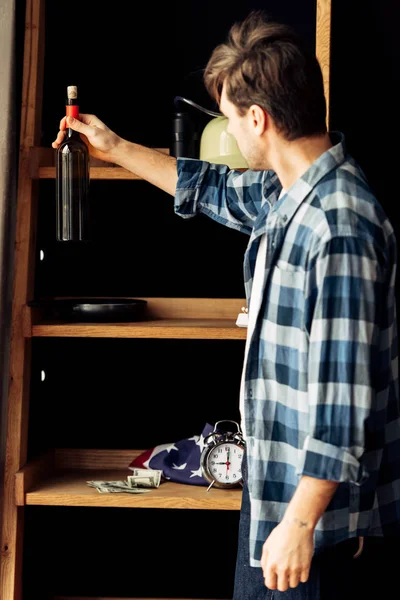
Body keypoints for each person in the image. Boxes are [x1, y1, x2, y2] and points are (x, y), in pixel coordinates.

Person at [52, 10, 400, 599]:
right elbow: (206, 186)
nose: (231, 132)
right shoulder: (286, 192)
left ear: (258, 119)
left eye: (231, 118)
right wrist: (112, 146)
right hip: (277, 499)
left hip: (308, 525)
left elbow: (345, 410)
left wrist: (301, 523)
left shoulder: (339, 226)